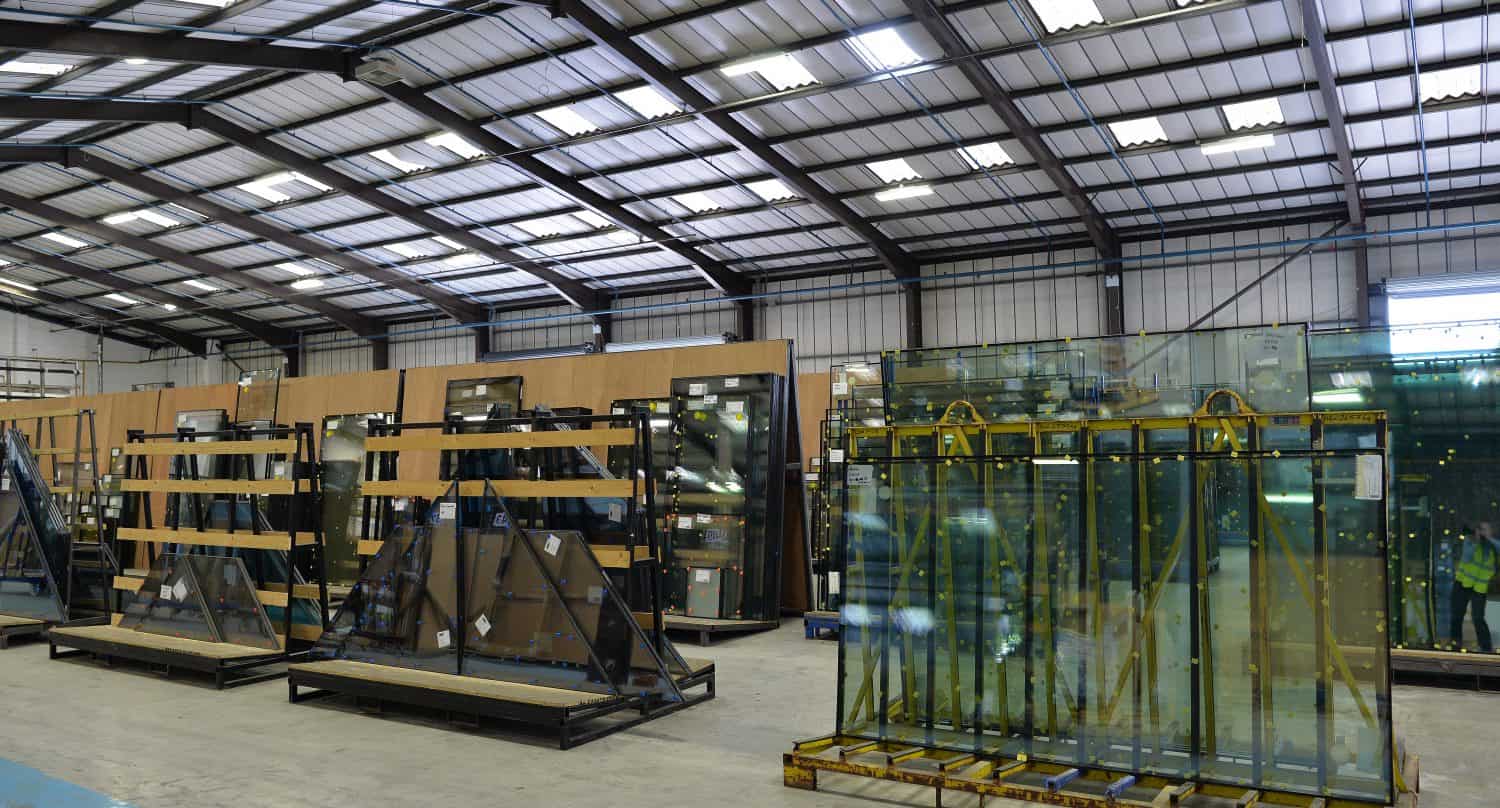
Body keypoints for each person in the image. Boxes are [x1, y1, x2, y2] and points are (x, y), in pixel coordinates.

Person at [1451, 521, 1499, 653]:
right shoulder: (1470, 541)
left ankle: (1486, 648)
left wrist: (1488, 539)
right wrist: (1476, 541)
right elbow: (1466, 557)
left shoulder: (1492, 546)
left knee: (1478, 618)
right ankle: (1455, 646)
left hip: (1479, 587)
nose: (1481, 532)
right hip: (1462, 583)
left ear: (1491, 532)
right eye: (1480, 529)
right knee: (1457, 616)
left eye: (1485, 529)